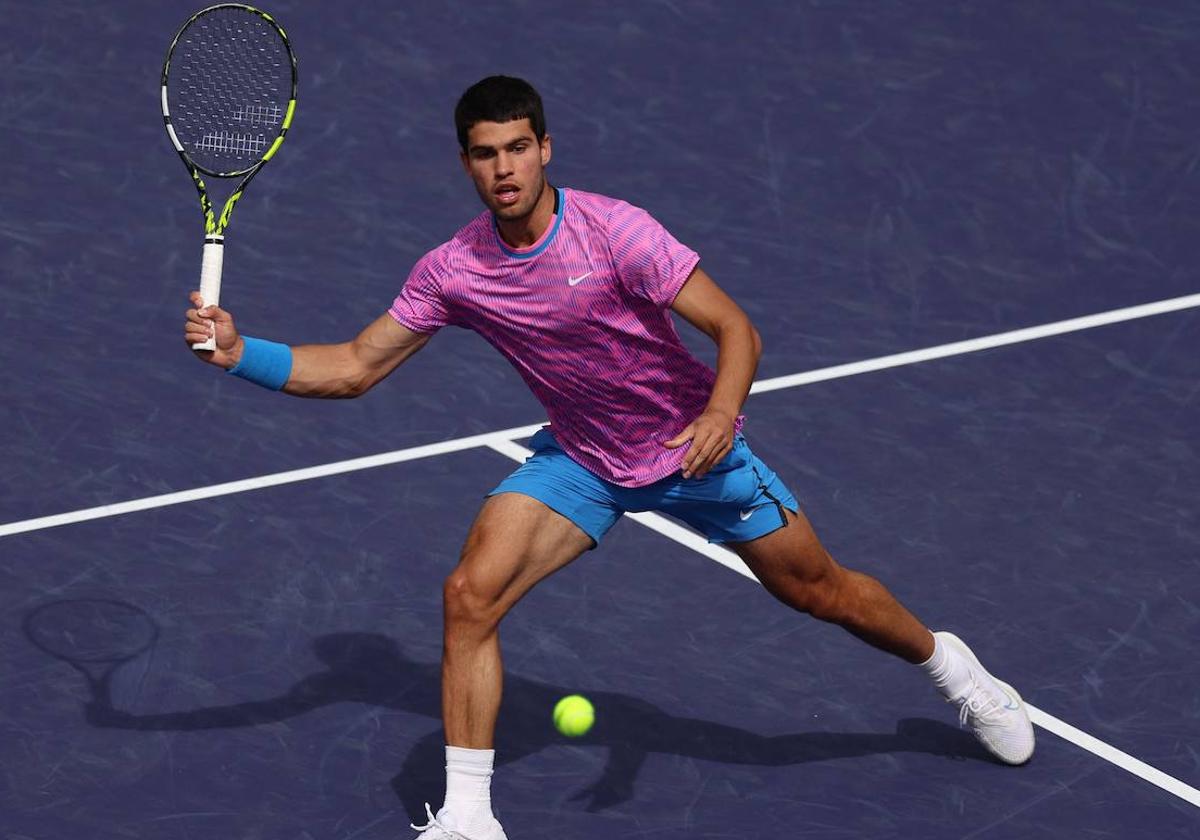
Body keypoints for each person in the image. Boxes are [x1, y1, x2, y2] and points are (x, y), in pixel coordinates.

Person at [184, 75, 1034, 840]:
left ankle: (951, 668)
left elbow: (736, 329)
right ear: (467, 165)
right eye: (486, 155)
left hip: (693, 454)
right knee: (469, 594)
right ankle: (469, 821)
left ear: (545, 148)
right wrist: (240, 352)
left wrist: (719, 412)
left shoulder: (615, 233)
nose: (505, 168)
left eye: (519, 147)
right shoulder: (455, 271)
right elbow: (357, 367)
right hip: (583, 461)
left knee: (823, 592)